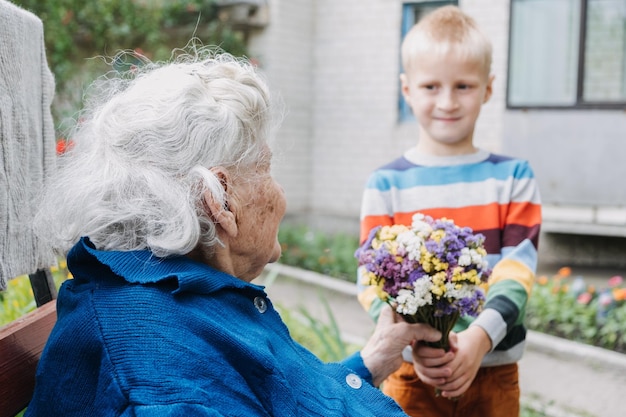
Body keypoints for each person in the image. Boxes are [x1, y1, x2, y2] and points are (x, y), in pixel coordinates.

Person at [25, 48, 444, 416]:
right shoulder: (163, 381)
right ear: (220, 201)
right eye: (266, 168)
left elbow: (271, 394)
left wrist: (371, 360)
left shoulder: (177, 296)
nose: (280, 193)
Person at [356, 6, 542, 417]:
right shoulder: (386, 185)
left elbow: (518, 271)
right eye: (430, 86)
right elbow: (371, 282)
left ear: (488, 88)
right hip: (410, 371)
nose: (447, 101)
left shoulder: (513, 177)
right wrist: (416, 342)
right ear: (406, 90)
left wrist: (478, 340)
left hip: (493, 370)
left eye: (463, 86)